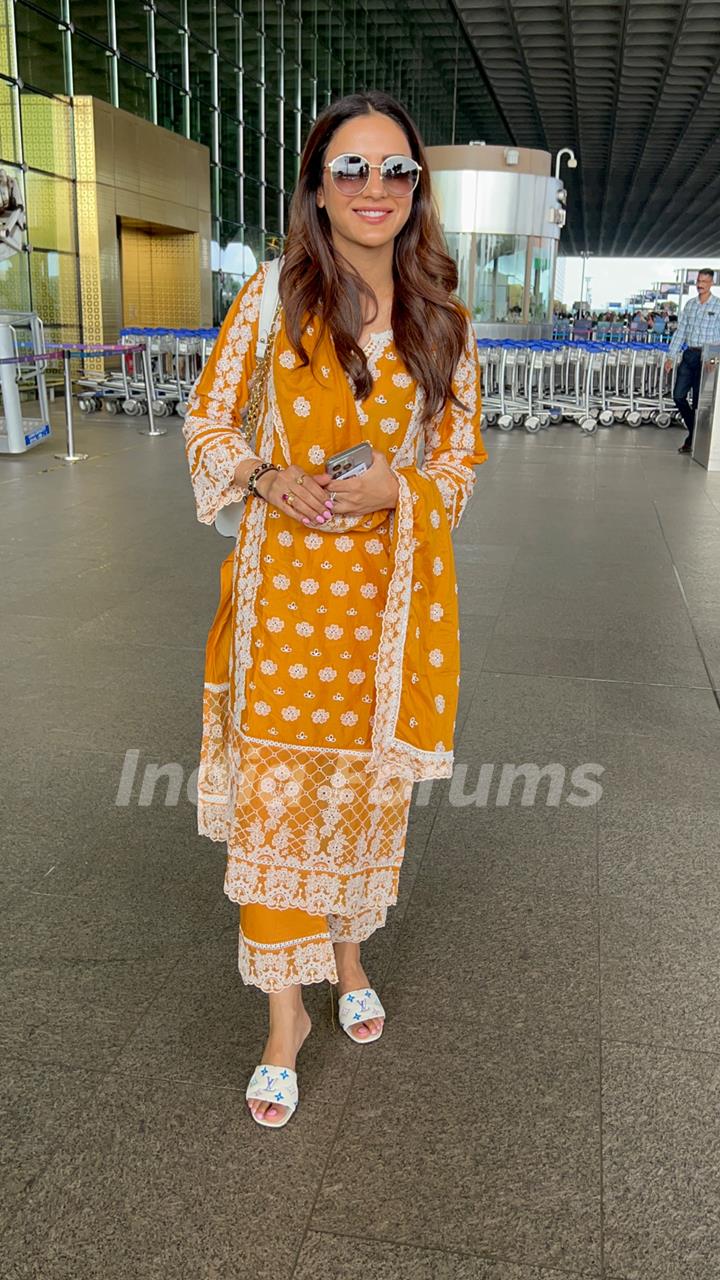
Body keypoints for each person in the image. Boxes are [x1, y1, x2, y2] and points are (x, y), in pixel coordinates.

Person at [182, 90, 486, 1128]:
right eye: (350, 168)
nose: (373, 188)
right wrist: (265, 479)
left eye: (393, 169)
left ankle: (349, 952)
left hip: (384, 622)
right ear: (318, 186)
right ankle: (284, 1019)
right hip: (284, 616)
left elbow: (458, 459)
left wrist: (398, 489)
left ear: (416, 189)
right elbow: (209, 423)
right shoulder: (271, 297)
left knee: (360, 801)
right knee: (278, 811)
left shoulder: (442, 311)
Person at [665, 268, 720, 453]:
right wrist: (671, 357)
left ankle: (692, 440)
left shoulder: (718, 306)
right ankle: (695, 432)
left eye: (704, 281)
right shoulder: (690, 305)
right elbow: (680, 332)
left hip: (707, 357)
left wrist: (713, 359)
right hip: (689, 355)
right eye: (698, 281)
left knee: (698, 401)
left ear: (711, 283)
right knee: (678, 396)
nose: (700, 284)